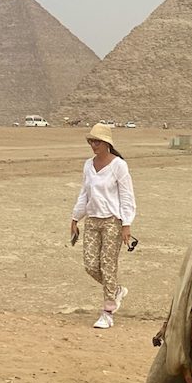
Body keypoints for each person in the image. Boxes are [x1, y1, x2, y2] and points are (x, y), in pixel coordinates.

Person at [70, 123, 136, 329]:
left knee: (108, 266)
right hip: (92, 220)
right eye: (91, 141)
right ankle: (115, 290)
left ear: (107, 143)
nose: (93, 145)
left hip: (112, 221)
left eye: (96, 141)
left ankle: (107, 313)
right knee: (90, 265)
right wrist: (74, 218)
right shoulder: (88, 165)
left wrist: (126, 224)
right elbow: (85, 193)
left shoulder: (119, 166)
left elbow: (127, 195)